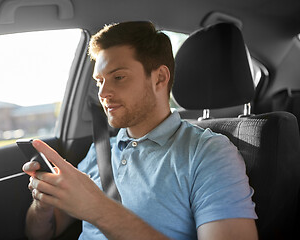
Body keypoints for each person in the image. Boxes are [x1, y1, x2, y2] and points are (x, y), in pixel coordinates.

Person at [22, 21, 258, 240]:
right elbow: (43, 232)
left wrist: (98, 208)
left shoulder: (208, 154)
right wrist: (43, 205)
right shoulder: (101, 150)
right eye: (99, 81)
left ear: (159, 78)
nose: (103, 93)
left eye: (118, 77)